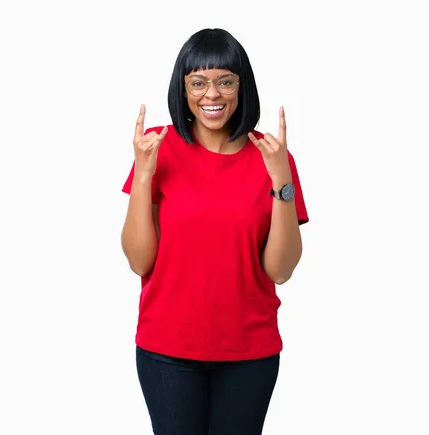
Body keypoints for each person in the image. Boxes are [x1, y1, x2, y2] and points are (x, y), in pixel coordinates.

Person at [121, 28, 309, 435]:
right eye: (198, 82)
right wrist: (143, 175)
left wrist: (281, 179)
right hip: (166, 349)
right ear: (183, 89)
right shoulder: (157, 148)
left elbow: (280, 270)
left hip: (249, 350)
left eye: (225, 81)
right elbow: (139, 260)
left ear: (242, 87)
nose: (212, 95)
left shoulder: (273, 157)